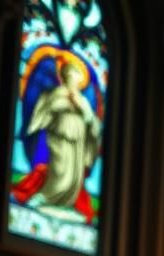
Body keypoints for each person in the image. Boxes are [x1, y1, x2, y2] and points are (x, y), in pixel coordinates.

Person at [11, 56, 102, 222]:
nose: (75, 78)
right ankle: (46, 197)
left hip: (78, 142)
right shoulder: (56, 93)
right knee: (59, 169)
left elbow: (93, 124)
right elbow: (47, 109)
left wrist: (83, 110)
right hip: (59, 136)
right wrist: (65, 103)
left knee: (73, 175)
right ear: (65, 76)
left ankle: (67, 204)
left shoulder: (83, 101)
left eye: (77, 76)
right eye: (72, 74)